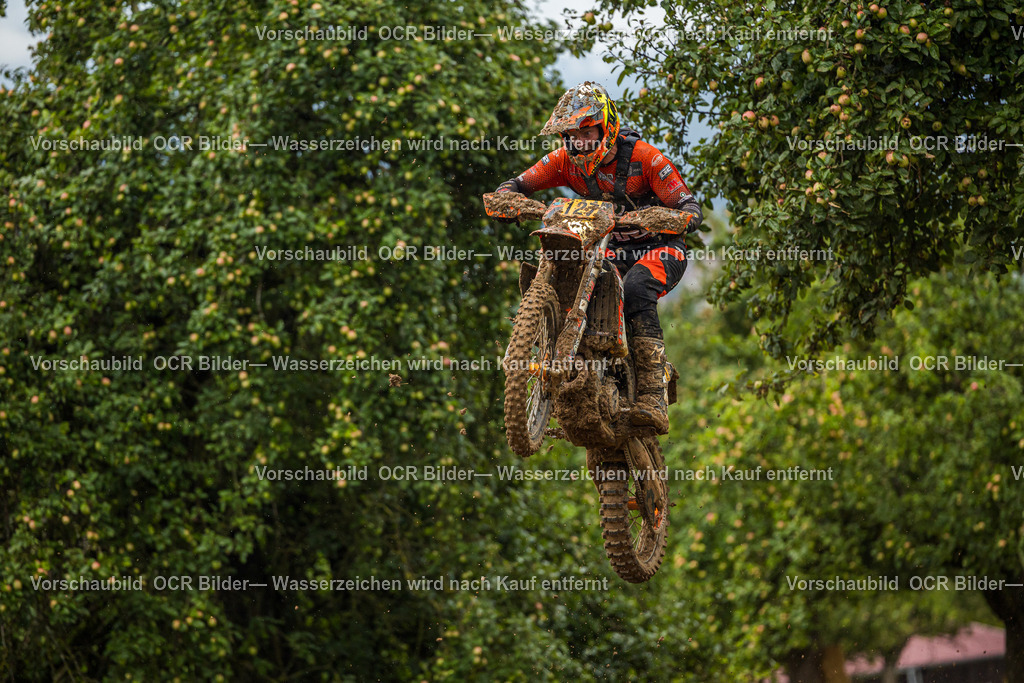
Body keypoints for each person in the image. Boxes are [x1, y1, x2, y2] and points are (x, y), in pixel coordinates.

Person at [493, 81, 702, 435]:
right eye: (572, 135)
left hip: (660, 248)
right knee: (573, 281)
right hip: (609, 251)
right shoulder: (564, 161)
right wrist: (507, 198)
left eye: (587, 132)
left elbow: (690, 208)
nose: (580, 142)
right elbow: (517, 183)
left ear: (606, 125)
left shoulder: (645, 159)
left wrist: (669, 218)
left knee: (636, 288)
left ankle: (652, 394)